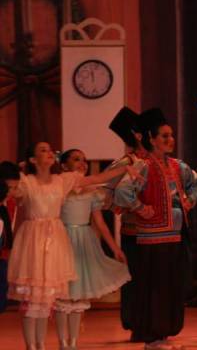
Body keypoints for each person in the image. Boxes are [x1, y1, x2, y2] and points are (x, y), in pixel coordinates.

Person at [7, 142, 138, 350]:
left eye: (50, 149)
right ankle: (32, 346)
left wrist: (125, 168)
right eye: (43, 150)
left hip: (56, 242)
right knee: (34, 300)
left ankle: (45, 345)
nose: (49, 152)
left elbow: (96, 179)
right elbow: (10, 189)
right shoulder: (26, 182)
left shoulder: (63, 181)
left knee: (46, 299)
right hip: (33, 241)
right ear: (33, 159)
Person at [114, 108, 197, 350]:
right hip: (151, 238)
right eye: (164, 136)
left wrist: (190, 200)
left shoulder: (178, 166)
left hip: (174, 236)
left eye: (171, 135)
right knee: (153, 287)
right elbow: (123, 192)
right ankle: (152, 338)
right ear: (151, 139)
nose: (169, 140)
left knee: (171, 287)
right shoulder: (143, 167)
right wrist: (140, 207)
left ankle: (163, 335)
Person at [54, 149, 131, 350]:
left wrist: (115, 248)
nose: (82, 163)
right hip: (63, 240)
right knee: (63, 293)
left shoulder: (91, 192)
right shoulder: (60, 184)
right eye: (76, 159)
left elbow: (100, 224)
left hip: (84, 242)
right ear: (63, 165)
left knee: (78, 293)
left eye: (84, 160)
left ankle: (72, 343)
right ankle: (62, 342)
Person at [104, 106, 151, 339]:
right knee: (135, 279)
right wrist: (124, 206)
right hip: (135, 231)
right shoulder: (126, 162)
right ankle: (136, 325)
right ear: (138, 135)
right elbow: (104, 193)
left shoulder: (156, 159)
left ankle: (154, 324)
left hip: (159, 230)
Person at [0, 161, 21, 314]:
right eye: (8, 188)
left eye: (14, 188)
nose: (11, 192)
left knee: (2, 297)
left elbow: (10, 229)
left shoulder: (11, 204)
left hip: (3, 256)